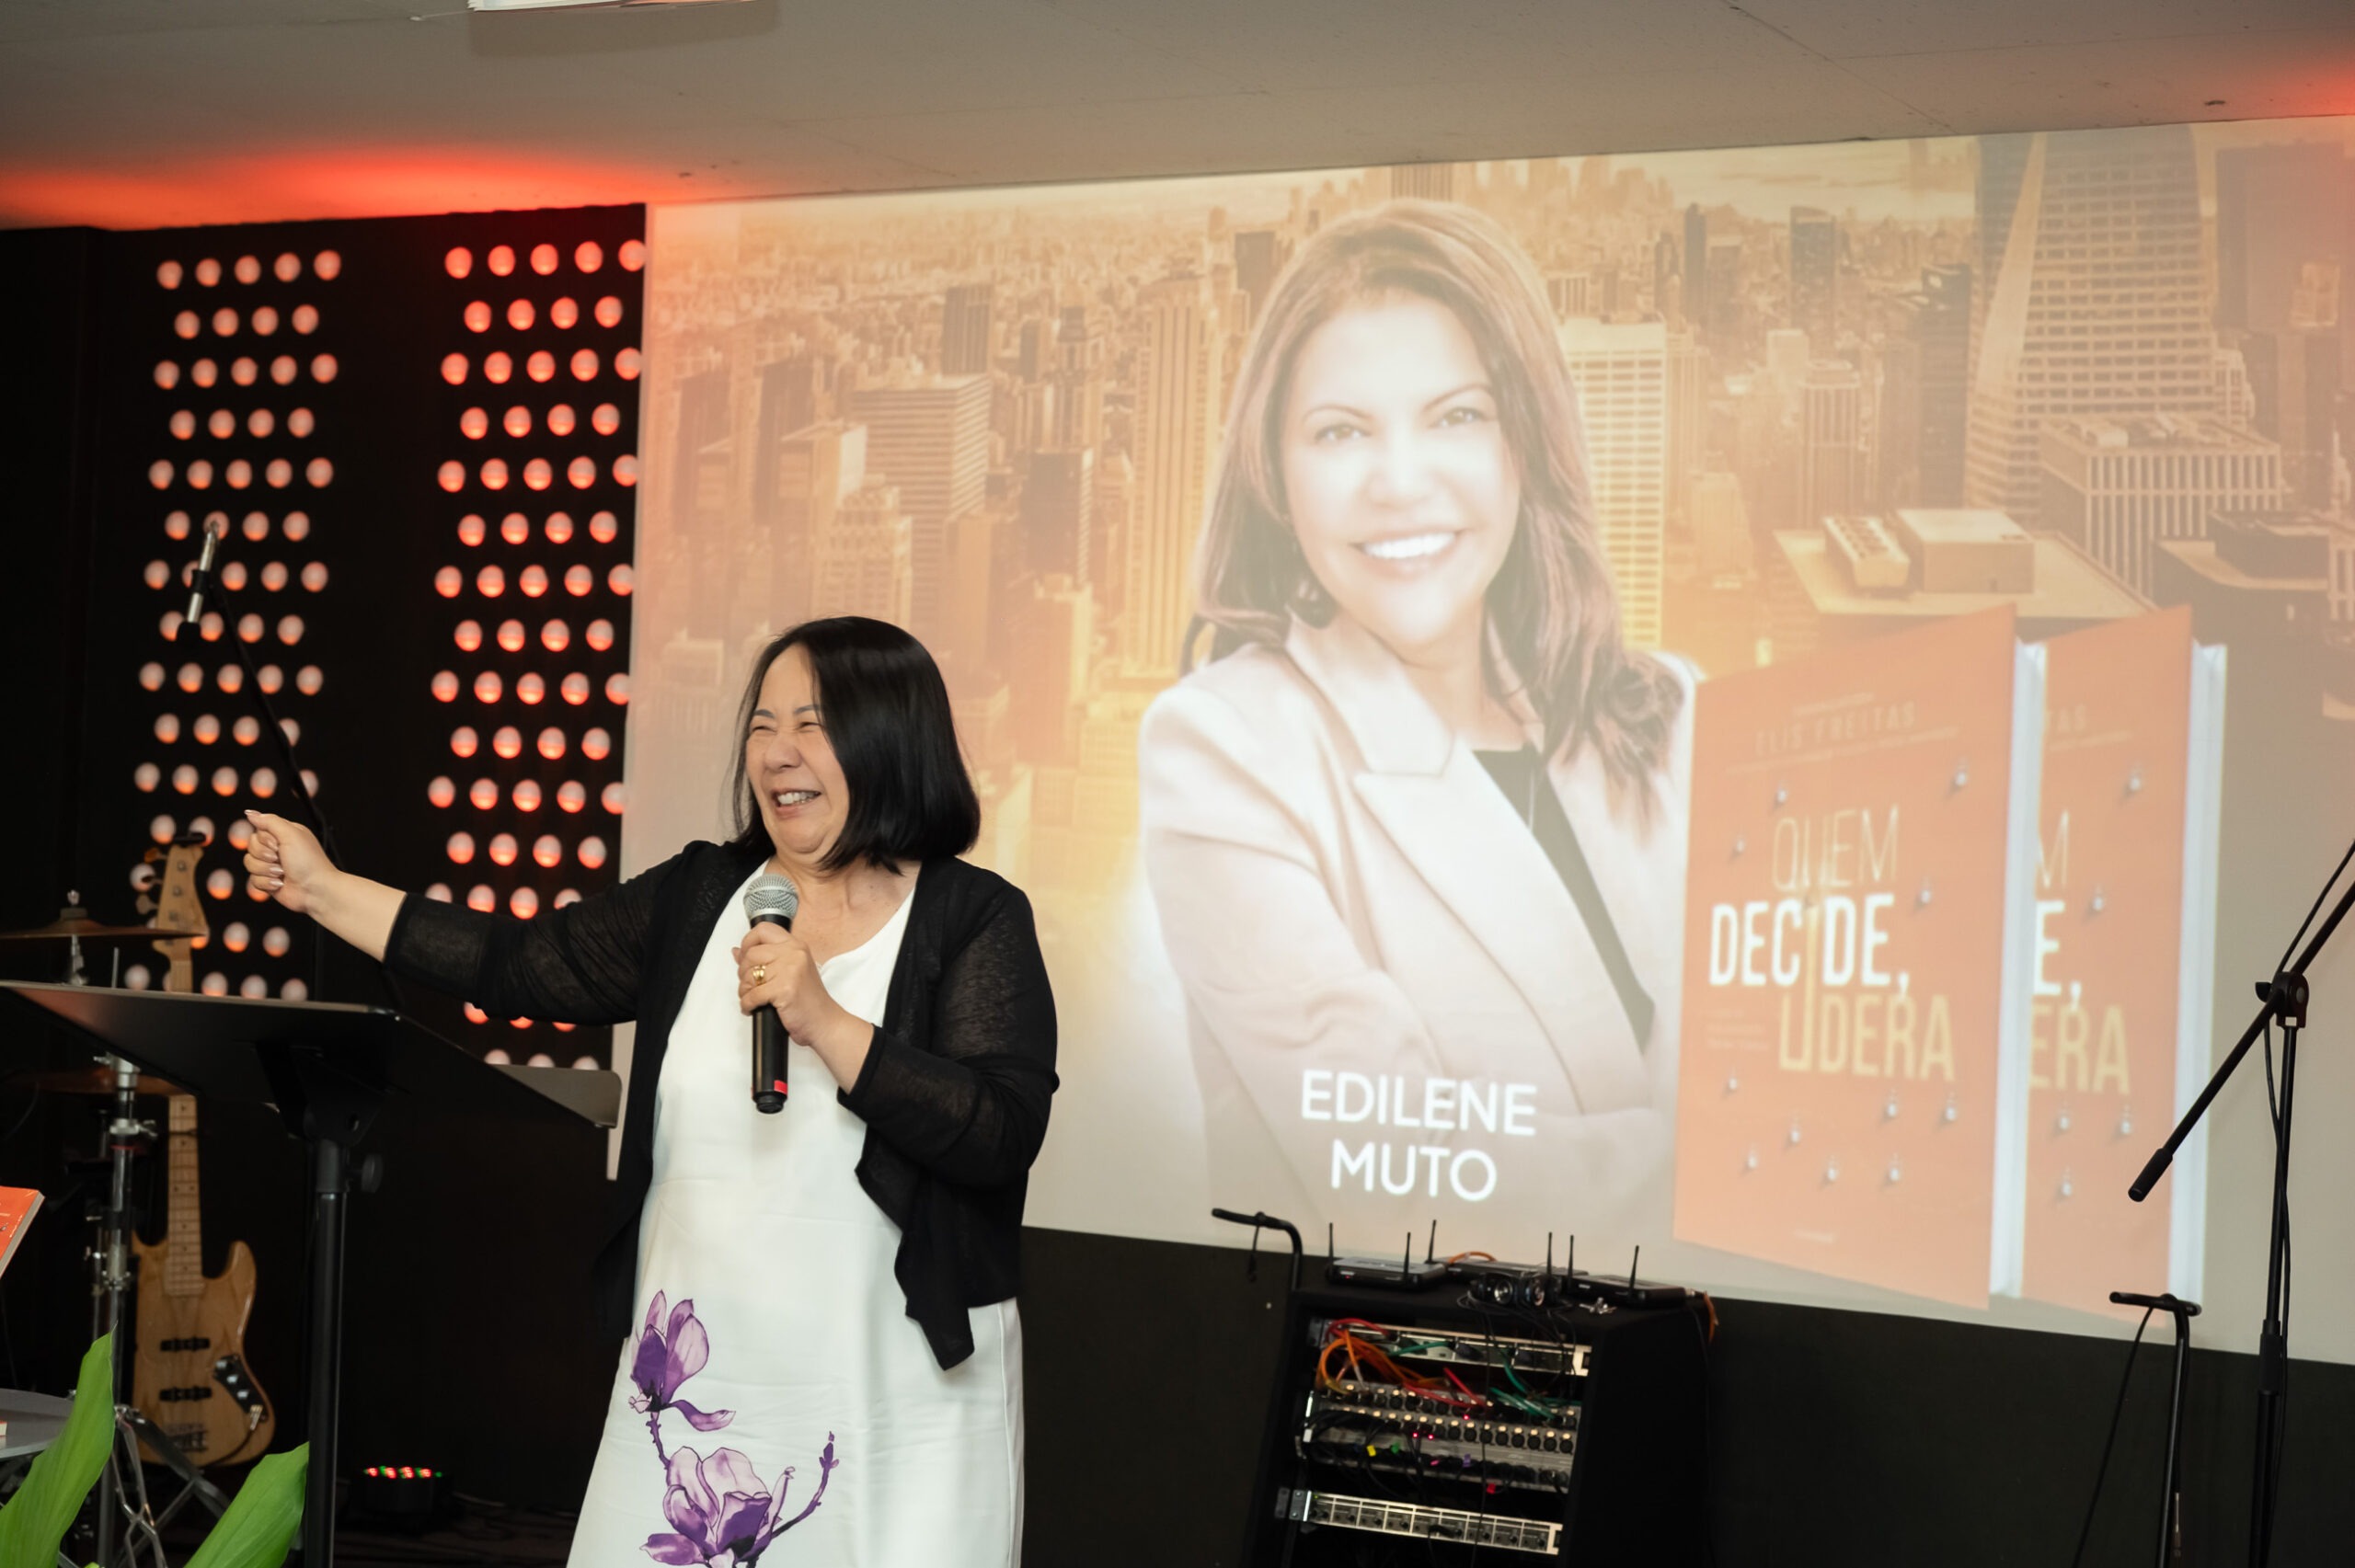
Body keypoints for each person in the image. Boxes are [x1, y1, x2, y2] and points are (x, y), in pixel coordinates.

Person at [244, 616, 1055, 1567]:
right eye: (762, 725)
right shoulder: (702, 895)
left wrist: (824, 1020)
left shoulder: (972, 917)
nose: (777, 752)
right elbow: (515, 963)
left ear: (891, 739)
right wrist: (322, 888)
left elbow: (999, 1131)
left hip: (890, 1405)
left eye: (812, 724)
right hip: (709, 1391)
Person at [1138, 200, 1693, 1240]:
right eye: (1340, 432)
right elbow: (1405, 1183)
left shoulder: (1671, 714)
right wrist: (1766, 1173)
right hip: (1424, 1345)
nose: (1399, 483)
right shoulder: (1223, 747)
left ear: (1525, 442)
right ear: (1276, 475)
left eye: (1457, 416)